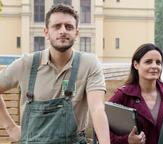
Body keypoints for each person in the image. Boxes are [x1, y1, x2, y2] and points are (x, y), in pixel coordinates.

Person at [0, 4, 110, 144]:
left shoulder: (89, 64)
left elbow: (97, 108)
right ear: (46, 32)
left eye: (68, 27)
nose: (63, 31)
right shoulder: (27, 63)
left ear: (77, 33)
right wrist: (11, 128)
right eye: (57, 26)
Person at [109, 43, 163, 144]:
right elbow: (103, 128)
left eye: (158, 62)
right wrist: (127, 141)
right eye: (148, 62)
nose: (154, 66)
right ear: (136, 65)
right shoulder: (123, 95)